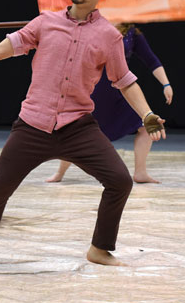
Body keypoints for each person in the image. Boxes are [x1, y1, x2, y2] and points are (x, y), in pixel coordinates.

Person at [0, 0, 166, 266]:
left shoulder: (109, 36)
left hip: (77, 127)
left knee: (120, 181)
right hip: (32, 125)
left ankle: (99, 248)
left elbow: (124, 82)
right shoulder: (44, 22)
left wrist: (147, 113)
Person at [46, 23, 172, 184]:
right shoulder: (93, 24)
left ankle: (140, 172)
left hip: (123, 90)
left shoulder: (132, 33)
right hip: (95, 89)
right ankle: (60, 172)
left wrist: (166, 84)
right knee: (77, 131)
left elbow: (151, 60)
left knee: (146, 126)